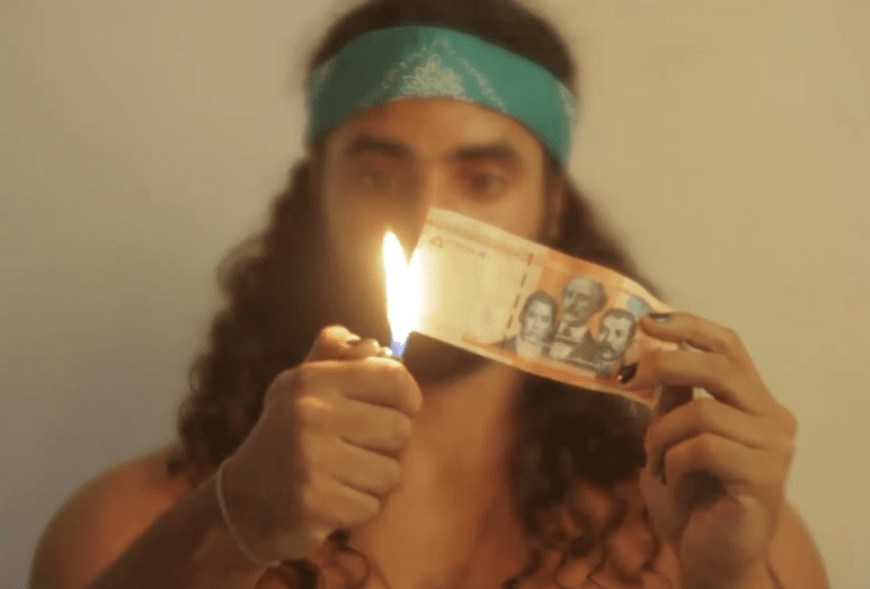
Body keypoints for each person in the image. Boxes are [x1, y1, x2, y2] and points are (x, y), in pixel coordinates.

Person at [27, 1, 830, 588]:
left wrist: (729, 578)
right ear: (316, 195)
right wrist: (233, 525)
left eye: (481, 179)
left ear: (551, 207)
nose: (428, 225)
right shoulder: (127, 525)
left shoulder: (706, 531)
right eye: (380, 176)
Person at [546, 276, 606, 361]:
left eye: (582, 298)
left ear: (596, 306)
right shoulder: (542, 331)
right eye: (569, 294)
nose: (571, 303)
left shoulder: (595, 352)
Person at [567, 308, 638, 379]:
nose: (608, 339)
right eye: (604, 331)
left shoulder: (628, 374)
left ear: (629, 342)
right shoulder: (579, 357)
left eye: (618, 334)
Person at [492, 291, 557, 358]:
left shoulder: (552, 360)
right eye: (532, 316)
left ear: (551, 327)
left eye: (544, 320)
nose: (536, 325)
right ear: (521, 316)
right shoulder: (494, 350)